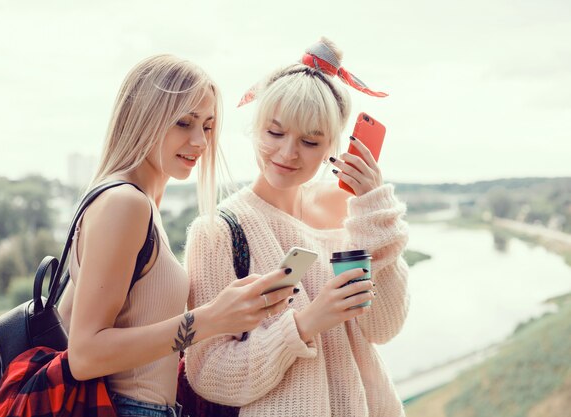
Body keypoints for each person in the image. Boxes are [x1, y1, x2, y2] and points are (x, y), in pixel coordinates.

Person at [56, 54, 295, 417]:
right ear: (143, 118)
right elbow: (86, 355)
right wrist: (211, 319)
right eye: (184, 122)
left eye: (209, 126)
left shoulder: (139, 202)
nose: (199, 141)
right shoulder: (125, 203)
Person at [183, 38, 409, 416]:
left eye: (309, 141)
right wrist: (304, 324)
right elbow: (208, 373)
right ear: (255, 129)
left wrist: (373, 206)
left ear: (332, 145)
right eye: (275, 133)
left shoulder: (352, 210)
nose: (288, 153)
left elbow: (384, 328)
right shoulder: (218, 231)